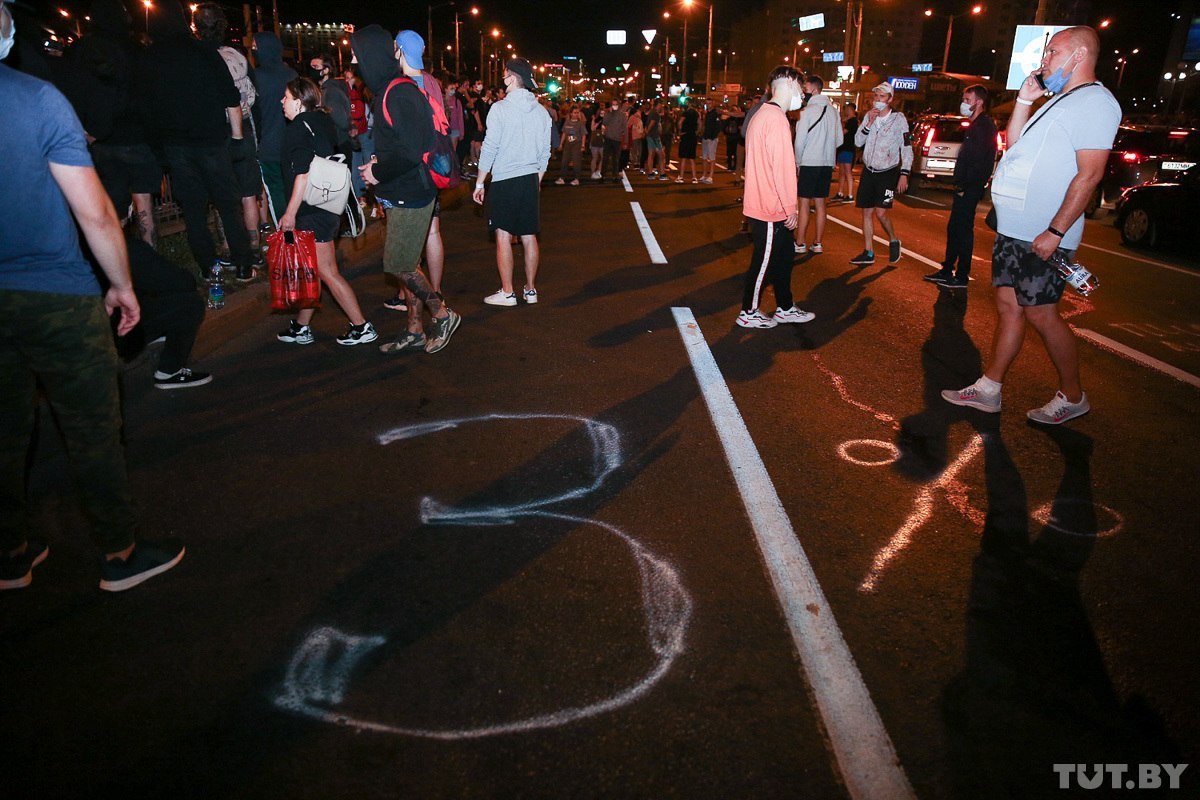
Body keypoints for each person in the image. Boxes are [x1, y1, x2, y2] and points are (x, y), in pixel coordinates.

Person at [1, 5, 185, 592]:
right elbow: (96, 213)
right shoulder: (36, 100)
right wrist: (123, 285)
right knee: (91, 426)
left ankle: (9, 553)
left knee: (4, 429)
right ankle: (119, 551)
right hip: (54, 291)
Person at [943, 26, 1119, 425]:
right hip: (1015, 230)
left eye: (1052, 52)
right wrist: (1024, 98)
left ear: (1079, 55)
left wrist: (1056, 231)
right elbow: (1016, 141)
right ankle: (989, 389)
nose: (1044, 61)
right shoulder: (1058, 100)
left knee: (1041, 313)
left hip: (1044, 233)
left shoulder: (1095, 103)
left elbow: (1089, 176)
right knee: (1008, 307)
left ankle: (1073, 396)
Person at [352, 26, 460, 354]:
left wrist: (377, 170)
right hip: (400, 191)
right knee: (408, 263)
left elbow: (414, 151)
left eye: (357, 52)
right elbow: (401, 142)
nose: (354, 59)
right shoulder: (387, 89)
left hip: (412, 193)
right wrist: (379, 162)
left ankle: (442, 314)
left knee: (398, 263)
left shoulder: (398, 92)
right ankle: (413, 330)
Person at [136, 0, 256, 280]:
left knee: (193, 211)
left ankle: (207, 267)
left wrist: (159, 149)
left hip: (175, 146)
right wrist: (237, 139)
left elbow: (147, 108)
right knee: (228, 204)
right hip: (212, 143)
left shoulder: (150, 58)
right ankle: (242, 264)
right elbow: (231, 98)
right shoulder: (203, 52)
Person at [275, 77, 378, 347]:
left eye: (285, 97)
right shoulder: (322, 122)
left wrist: (289, 213)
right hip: (327, 206)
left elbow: (303, 174)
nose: (281, 102)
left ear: (298, 101)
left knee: (328, 271)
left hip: (311, 209)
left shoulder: (298, 127)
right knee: (317, 270)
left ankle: (361, 326)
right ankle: (300, 326)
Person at [60, 0, 161, 247]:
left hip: (98, 138)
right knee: (143, 200)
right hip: (137, 136)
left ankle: (118, 257)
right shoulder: (136, 49)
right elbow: (149, 92)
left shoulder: (82, 50)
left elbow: (72, 89)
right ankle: (149, 257)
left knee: (110, 205)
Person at [737, 66, 814, 330]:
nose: (802, 96)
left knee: (782, 257)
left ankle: (784, 307)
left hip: (767, 202)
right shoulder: (777, 118)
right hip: (770, 206)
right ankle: (748, 311)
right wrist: (790, 207)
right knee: (764, 261)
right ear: (790, 84)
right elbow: (781, 168)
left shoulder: (762, 114)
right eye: (801, 89)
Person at [473, 58, 552, 306]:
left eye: (505, 74)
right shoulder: (541, 112)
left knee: (503, 235)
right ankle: (530, 290)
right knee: (529, 235)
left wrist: (479, 182)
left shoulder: (500, 109)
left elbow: (490, 148)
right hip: (529, 178)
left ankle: (507, 292)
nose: (503, 78)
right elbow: (545, 153)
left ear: (512, 77)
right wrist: (536, 178)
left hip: (505, 179)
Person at [194, 3, 264, 261]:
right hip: (244, 129)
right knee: (248, 193)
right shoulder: (238, 57)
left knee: (221, 195)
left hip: (214, 133)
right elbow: (255, 98)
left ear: (196, 27)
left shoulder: (198, 58)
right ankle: (254, 246)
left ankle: (228, 248)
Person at [924, 85, 998, 289]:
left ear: (979, 102)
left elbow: (980, 161)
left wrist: (965, 185)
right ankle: (948, 270)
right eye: (964, 99)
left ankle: (960, 275)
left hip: (970, 187)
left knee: (962, 230)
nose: (963, 104)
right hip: (966, 185)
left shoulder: (984, 127)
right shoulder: (975, 125)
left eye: (967, 100)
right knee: (955, 228)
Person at [849, 82, 911, 266]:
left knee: (881, 212)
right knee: (867, 211)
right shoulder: (870, 115)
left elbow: (906, 147)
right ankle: (869, 252)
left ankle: (893, 238)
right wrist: (868, 123)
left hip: (887, 172)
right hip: (869, 170)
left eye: (882, 97)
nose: (878, 100)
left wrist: (904, 173)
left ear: (890, 99)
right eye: (876, 96)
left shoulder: (899, 119)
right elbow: (858, 142)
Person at [792, 74, 842, 255]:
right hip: (826, 162)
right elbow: (839, 140)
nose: (803, 92)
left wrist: (798, 162)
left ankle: (800, 242)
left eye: (805, 89)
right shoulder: (834, 111)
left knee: (804, 202)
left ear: (814, 89)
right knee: (821, 203)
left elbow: (799, 142)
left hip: (809, 161)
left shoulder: (806, 112)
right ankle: (818, 242)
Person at [251, 32, 297, 226]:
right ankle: (302, 236)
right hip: (294, 144)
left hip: (268, 146)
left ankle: (287, 242)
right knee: (295, 192)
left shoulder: (256, 77)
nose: (253, 50)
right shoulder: (292, 75)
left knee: (276, 194)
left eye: (255, 47)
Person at [833, 102, 858, 202]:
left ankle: (850, 194)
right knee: (842, 172)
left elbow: (843, 132)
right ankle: (840, 192)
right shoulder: (848, 121)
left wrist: (842, 123)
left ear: (851, 109)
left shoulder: (853, 121)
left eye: (847, 109)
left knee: (847, 172)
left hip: (848, 149)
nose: (845, 111)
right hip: (843, 148)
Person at [556, 105, 586, 185]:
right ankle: (562, 178)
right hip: (568, 144)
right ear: (571, 114)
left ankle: (577, 179)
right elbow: (564, 133)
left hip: (577, 144)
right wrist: (561, 144)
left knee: (576, 162)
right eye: (574, 113)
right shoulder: (567, 122)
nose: (576, 114)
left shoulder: (580, 123)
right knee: (564, 161)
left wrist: (583, 145)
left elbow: (583, 135)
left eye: (577, 113)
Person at [600, 98, 625, 182]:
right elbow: (604, 122)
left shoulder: (622, 115)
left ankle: (615, 175)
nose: (614, 106)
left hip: (617, 139)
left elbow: (624, 128)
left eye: (616, 104)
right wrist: (609, 113)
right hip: (608, 138)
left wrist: (625, 140)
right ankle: (603, 175)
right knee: (605, 158)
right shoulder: (608, 114)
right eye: (613, 104)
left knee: (616, 159)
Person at [675, 100, 700, 183]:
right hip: (693, 136)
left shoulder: (685, 113)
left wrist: (680, 131)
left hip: (685, 135)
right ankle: (694, 177)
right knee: (692, 158)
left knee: (684, 157)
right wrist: (696, 132)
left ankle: (681, 177)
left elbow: (679, 122)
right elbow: (700, 123)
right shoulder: (696, 113)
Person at [643, 100, 666, 179]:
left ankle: (650, 173)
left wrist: (647, 132)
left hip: (650, 136)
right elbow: (652, 123)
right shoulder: (655, 114)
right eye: (661, 105)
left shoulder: (652, 112)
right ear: (658, 105)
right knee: (661, 155)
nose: (662, 107)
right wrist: (648, 131)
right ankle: (662, 173)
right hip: (654, 136)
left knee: (651, 154)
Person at [699, 102, 721, 183]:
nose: (708, 105)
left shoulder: (715, 113)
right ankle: (704, 175)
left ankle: (710, 176)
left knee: (711, 157)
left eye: (710, 103)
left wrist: (714, 136)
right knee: (704, 157)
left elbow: (718, 126)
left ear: (713, 104)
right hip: (705, 136)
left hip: (712, 138)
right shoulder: (706, 113)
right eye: (707, 103)